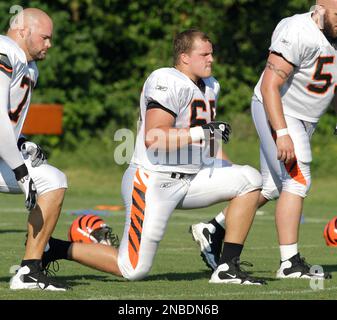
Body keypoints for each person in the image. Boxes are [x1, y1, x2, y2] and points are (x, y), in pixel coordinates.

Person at [43, 29, 266, 285]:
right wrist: (202, 131)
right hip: (153, 181)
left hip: (192, 178)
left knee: (249, 179)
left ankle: (227, 267)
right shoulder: (165, 79)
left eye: (212, 53)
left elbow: (207, 140)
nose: (211, 59)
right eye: (204, 54)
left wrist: (225, 166)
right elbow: (154, 137)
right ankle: (55, 249)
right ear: (184, 57)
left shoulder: (211, 85)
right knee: (133, 269)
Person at [191, 0, 336, 279]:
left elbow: (331, 82)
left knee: (270, 186)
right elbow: (270, 85)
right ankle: (289, 263)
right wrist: (282, 133)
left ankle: (214, 228)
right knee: (296, 181)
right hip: (279, 110)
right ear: (320, 9)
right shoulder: (297, 30)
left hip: (305, 118)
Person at [0, 8, 68, 291]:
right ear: (22, 31)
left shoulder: (30, 68)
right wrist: (20, 170)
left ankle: (29, 270)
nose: (49, 44)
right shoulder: (5, 51)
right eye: (45, 37)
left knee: (54, 180)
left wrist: (21, 142)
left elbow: (8, 121)